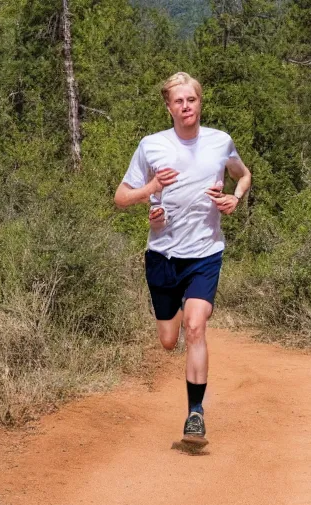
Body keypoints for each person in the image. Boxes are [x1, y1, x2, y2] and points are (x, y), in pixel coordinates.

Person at [114, 71, 252, 450]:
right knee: (168, 339)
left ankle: (195, 413)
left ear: (200, 102)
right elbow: (121, 197)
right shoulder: (152, 146)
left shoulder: (220, 142)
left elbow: (244, 176)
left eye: (191, 99)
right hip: (162, 256)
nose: (186, 106)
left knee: (195, 327)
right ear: (168, 107)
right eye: (178, 101)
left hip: (205, 253)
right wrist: (151, 192)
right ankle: (172, 320)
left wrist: (234, 199)